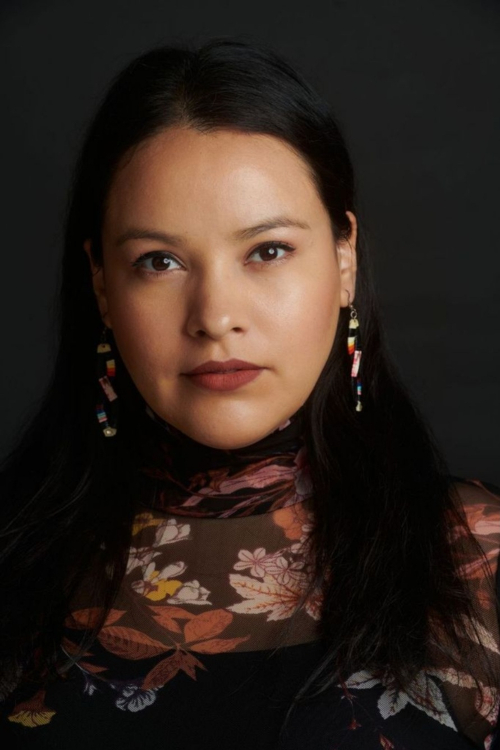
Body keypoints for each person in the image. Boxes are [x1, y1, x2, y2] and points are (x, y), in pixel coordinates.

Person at [0, 36, 499, 750]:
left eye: (267, 251)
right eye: (160, 261)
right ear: (102, 285)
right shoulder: (15, 564)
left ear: (344, 256)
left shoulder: (477, 562)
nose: (214, 316)